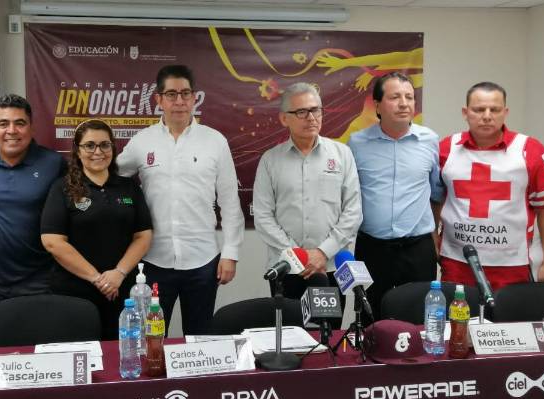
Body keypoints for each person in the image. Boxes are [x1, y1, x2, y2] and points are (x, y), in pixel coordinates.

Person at [117, 65, 244, 335]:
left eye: (186, 93)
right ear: (159, 99)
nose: (179, 101)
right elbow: (112, 176)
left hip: (203, 261)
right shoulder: (142, 142)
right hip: (154, 261)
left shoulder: (215, 141)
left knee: (200, 339)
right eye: (171, 94)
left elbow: (230, 202)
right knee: (152, 338)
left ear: (194, 97)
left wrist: (231, 253)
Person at [437, 82, 544, 289]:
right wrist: (433, 242)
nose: (487, 116)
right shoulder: (446, 149)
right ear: (465, 112)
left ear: (505, 112)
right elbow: (435, 201)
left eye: (495, 109)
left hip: (514, 268)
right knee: (458, 311)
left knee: (511, 312)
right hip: (457, 264)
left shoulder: (530, 150)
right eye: (479, 109)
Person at [253, 82, 362, 315]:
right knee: (289, 331)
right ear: (284, 118)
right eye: (302, 112)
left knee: (329, 332)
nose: (311, 118)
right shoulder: (270, 160)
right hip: (287, 268)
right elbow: (263, 216)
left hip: (330, 266)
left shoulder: (342, 154)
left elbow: (353, 212)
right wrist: (298, 256)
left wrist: (322, 253)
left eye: (315, 110)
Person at [40, 119, 152, 340]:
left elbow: (143, 236)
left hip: (122, 290)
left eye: (104, 145)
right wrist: (98, 279)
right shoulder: (62, 188)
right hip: (75, 292)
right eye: (89, 145)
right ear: (78, 150)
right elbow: (52, 242)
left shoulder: (128, 187)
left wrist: (119, 273)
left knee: (123, 350)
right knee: (78, 353)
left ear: (113, 148)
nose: (98, 152)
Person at [0, 94, 67, 334]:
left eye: (20, 123)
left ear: (31, 127)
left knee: (39, 347)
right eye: (3, 123)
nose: (11, 130)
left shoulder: (53, 163)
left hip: (40, 280)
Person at [348, 72, 443, 322]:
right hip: (372, 248)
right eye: (395, 97)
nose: (404, 103)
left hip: (417, 248)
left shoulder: (430, 140)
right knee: (370, 319)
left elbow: (436, 192)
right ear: (377, 105)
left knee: (419, 319)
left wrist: (434, 233)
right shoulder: (357, 143)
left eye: (409, 97)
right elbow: (349, 195)